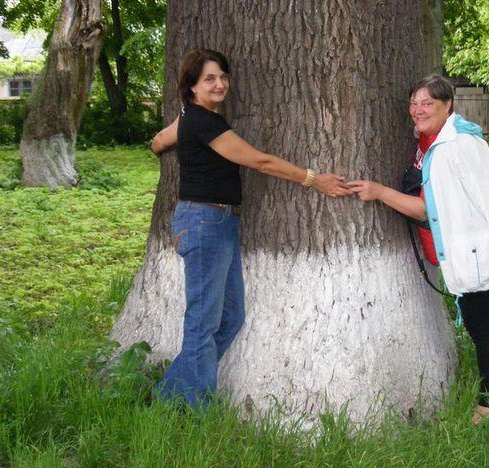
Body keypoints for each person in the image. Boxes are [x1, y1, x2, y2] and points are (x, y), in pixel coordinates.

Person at [150, 49, 351, 408]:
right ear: (192, 86)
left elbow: (160, 141)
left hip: (219, 222)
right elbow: (260, 161)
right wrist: (313, 179)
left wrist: (162, 144)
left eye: (222, 77)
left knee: (230, 316)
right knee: (203, 322)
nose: (219, 84)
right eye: (209, 78)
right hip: (202, 222)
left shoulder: (189, 118)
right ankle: (199, 415)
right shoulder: (205, 123)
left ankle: (167, 395)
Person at [348, 76, 489, 425]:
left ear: (448, 105)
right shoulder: (440, 140)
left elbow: (427, 209)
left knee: (484, 329)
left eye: (428, 102)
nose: (418, 109)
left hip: (477, 254)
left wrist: (378, 191)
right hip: (477, 250)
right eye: (414, 102)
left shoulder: (453, 148)